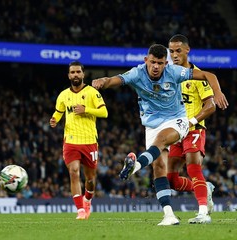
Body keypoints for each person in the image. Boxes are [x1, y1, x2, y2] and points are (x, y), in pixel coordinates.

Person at [92, 44, 228, 225]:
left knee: (164, 143)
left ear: (166, 64)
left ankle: (136, 166)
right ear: (146, 60)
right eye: (153, 62)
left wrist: (217, 92)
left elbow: (209, 75)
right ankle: (169, 215)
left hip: (177, 121)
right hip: (151, 124)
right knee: (159, 170)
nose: (156, 66)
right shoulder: (137, 73)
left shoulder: (175, 72)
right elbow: (115, 79)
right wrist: (103, 81)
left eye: (160, 63)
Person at [167, 34, 217, 224]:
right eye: (171, 51)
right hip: (175, 132)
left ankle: (203, 213)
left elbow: (210, 105)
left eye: (178, 50)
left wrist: (191, 122)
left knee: (193, 168)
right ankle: (206, 187)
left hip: (194, 129)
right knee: (171, 179)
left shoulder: (198, 76)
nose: (174, 55)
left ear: (187, 50)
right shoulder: (169, 75)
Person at [50, 61, 108, 220]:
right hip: (71, 141)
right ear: (68, 75)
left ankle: (87, 200)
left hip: (89, 141)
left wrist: (86, 110)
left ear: (83, 74)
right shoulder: (63, 95)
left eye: (78, 72)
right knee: (74, 172)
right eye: (72, 72)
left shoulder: (92, 92)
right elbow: (58, 112)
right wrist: (54, 120)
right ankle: (80, 210)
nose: (75, 75)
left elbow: (104, 112)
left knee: (90, 179)